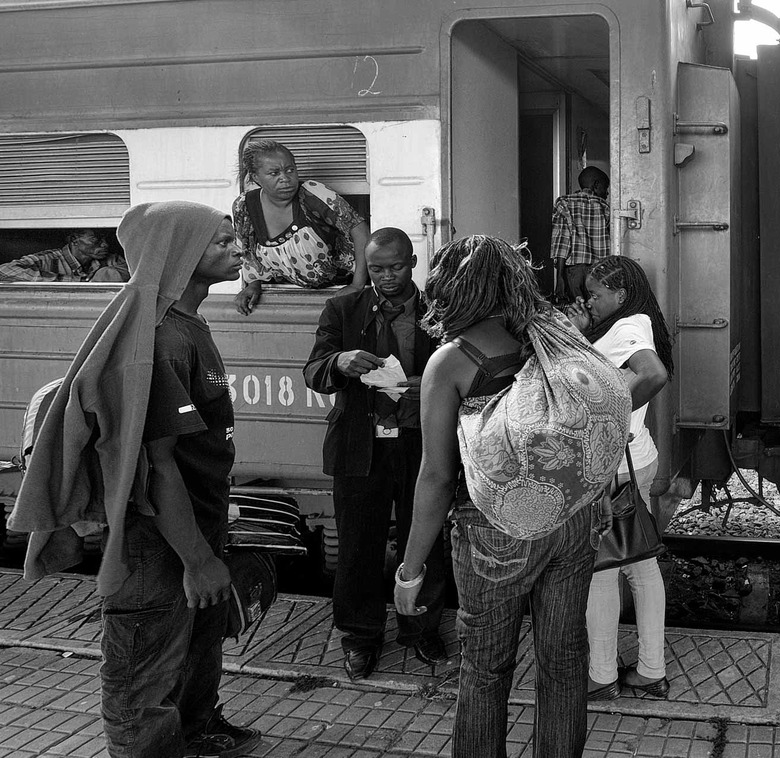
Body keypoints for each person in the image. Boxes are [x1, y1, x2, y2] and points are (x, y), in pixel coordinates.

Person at [7, 201, 260, 757]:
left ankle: (196, 732)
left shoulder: (187, 324)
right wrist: (198, 559)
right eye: (222, 242)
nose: (238, 249)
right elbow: (158, 464)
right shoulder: (160, 340)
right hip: (158, 541)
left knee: (197, 643)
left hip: (197, 520)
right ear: (182, 254)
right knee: (142, 673)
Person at [393, 235, 616, 758]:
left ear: (451, 287)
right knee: (563, 661)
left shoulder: (452, 361)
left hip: (495, 531)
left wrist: (410, 568)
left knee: (485, 670)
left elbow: (437, 477)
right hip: (573, 519)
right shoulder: (552, 335)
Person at [303, 227, 448, 680]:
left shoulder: (438, 313)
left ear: (413, 264)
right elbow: (313, 371)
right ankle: (360, 636)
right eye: (377, 268)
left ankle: (420, 629)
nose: (386, 277)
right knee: (357, 546)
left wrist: (420, 384)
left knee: (424, 540)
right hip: (358, 446)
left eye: (396, 266)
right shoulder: (342, 309)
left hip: (420, 443)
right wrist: (338, 363)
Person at [565, 256, 673, 702]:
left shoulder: (630, 328)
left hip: (614, 470)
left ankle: (604, 673)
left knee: (601, 572)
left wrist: (609, 421)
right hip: (635, 460)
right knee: (640, 568)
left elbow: (652, 374)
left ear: (621, 295)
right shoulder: (630, 321)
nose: (588, 300)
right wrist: (578, 331)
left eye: (595, 294)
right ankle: (650, 670)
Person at [232, 139, 370, 314]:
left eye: (290, 170)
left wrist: (357, 285)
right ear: (255, 177)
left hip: (341, 286)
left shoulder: (312, 193)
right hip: (293, 293)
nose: (285, 178)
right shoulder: (245, 206)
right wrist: (253, 284)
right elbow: (247, 251)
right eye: (274, 173)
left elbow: (360, 231)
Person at [551, 166, 611, 303]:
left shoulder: (564, 204)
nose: (606, 193)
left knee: (578, 310)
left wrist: (559, 278)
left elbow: (562, 242)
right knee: (598, 311)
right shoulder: (605, 208)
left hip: (574, 271)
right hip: (600, 271)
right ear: (596, 185)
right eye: (605, 188)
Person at [0, 228, 129, 282]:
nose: (105, 244)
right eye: (96, 240)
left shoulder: (110, 259)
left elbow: (134, 273)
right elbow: (4, 271)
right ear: (74, 240)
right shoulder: (49, 259)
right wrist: (73, 282)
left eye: (105, 239)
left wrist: (104, 274)